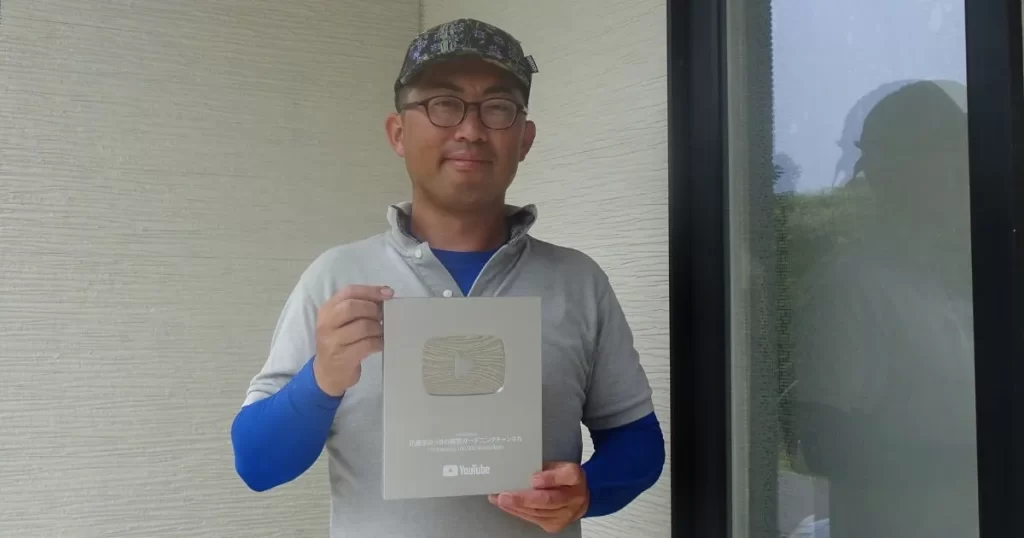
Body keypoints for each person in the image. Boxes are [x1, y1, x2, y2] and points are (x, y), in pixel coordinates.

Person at [230, 18, 665, 538]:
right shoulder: (336, 280)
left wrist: (590, 489)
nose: (471, 130)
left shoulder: (579, 282)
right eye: (443, 103)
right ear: (398, 133)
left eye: (497, 108)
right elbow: (256, 465)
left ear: (524, 139)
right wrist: (321, 379)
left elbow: (638, 441)